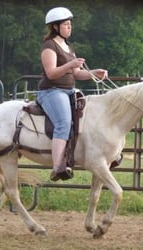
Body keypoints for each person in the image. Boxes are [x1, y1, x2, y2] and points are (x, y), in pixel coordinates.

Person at [36, 7, 108, 181]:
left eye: (70, 24)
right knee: (63, 122)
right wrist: (71, 64)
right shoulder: (49, 46)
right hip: (52, 91)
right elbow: (51, 73)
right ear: (55, 27)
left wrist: (94, 73)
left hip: (68, 90)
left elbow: (76, 74)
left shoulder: (68, 47)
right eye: (66, 24)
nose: (70, 27)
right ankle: (58, 165)